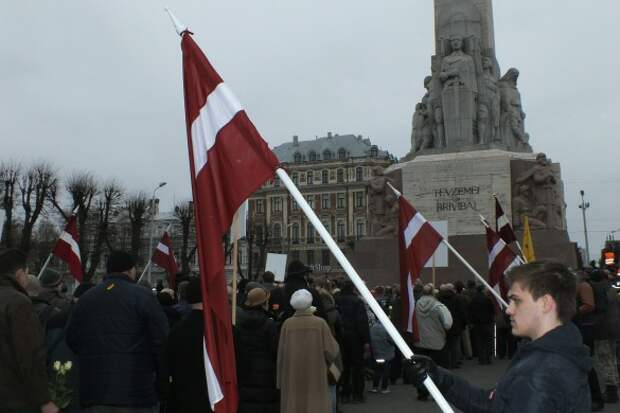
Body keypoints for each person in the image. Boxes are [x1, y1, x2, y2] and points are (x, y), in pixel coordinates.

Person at [409, 261, 592, 412]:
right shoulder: (554, 352)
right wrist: (439, 377)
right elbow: (493, 404)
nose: (509, 309)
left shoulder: (538, 374)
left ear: (545, 303)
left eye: (516, 300)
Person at [66, 250, 169, 412]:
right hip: (136, 392)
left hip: (95, 392)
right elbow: (162, 341)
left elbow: (72, 338)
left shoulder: (86, 299)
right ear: (130, 270)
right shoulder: (144, 297)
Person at [0, 248, 59, 413]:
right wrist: (44, 399)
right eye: (27, 272)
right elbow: (29, 354)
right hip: (13, 398)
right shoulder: (19, 303)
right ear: (20, 274)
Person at [277, 289, 340, 413]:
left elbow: (281, 354)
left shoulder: (287, 324)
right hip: (316, 372)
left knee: (294, 404)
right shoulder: (320, 323)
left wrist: (279, 380)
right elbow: (332, 350)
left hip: (292, 374)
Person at [159, 277, 212, 413]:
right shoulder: (222, 331)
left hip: (182, 400)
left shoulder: (177, 330)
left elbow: (165, 366)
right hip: (214, 400)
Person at [234, 287, 280, 413]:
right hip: (267, 374)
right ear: (263, 303)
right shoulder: (269, 324)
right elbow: (275, 349)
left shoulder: (239, 323)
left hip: (246, 372)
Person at [413, 283, 452, 401]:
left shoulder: (415, 305)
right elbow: (448, 324)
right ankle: (438, 393)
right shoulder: (439, 306)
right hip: (437, 343)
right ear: (433, 293)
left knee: (421, 369)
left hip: (420, 342)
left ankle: (422, 393)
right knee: (438, 369)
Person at [335, 279, 370, 404]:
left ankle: (344, 392)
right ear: (353, 288)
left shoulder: (336, 300)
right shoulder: (358, 302)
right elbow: (362, 323)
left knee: (343, 366)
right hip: (355, 338)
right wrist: (366, 340)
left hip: (340, 338)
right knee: (358, 367)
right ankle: (358, 394)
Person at [469, 285, 496, 365]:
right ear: (483, 290)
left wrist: (472, 321)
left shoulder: (473, 300)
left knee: (479, 342)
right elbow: (492, 311)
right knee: (488, 341)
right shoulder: (488, 299)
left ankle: (481, 359)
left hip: (477, 323)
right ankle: (488, 358)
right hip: (487, 323)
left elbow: (470, 311)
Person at [369, 310, 394, 394]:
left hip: (377, 353)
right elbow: (391, 340)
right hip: (387, 353)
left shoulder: (373, 327)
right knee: (386, 371)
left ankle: (375, 387)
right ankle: (384, 388)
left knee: (377, 370)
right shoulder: (388, 328)